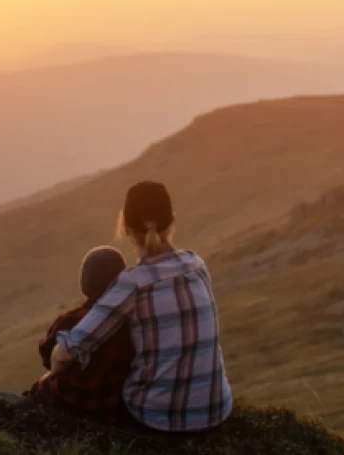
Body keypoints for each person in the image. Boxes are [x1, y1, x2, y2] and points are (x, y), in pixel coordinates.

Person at [50, 181, 233, 432]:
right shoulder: (197, 265)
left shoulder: (133, 283)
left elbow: (66, 351)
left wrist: (50, 375)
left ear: (124, 226)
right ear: (172, 221)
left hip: (155, 417)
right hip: (216, 410)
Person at [29, 245, 135, 423]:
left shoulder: (70, 320)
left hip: (70, 399)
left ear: (85, 283)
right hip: (116, 404)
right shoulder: (134, 320)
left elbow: (48, 355)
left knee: (34, 393)